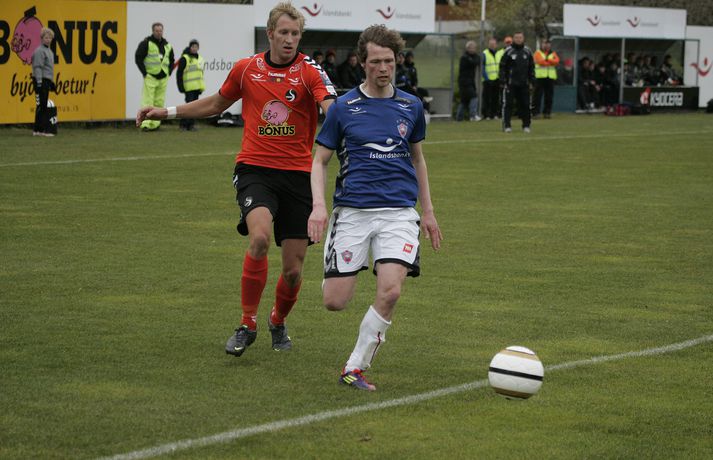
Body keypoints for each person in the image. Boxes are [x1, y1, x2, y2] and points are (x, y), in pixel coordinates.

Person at [136, 2, 337, 356]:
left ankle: (277, 320)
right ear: (270, 34)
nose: (290, 39)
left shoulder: (310, 71)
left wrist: (340, 123)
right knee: (259, 238)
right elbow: (216, 104)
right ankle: (247, 324)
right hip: (255, 169)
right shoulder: (247, 69)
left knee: (293, 271)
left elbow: (331, 109)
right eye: (284, 33)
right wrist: (165, 112)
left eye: (295, 34)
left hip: (298, 177)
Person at [308, 25, 443, 391]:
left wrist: (428, 211)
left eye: (389, 61)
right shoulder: (343, 108)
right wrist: (319, 206)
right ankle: (339, 264)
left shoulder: (411, 106)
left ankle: (354, 367)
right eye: (375, 62)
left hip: (399, 212)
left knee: (391, 290)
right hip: (352, 212)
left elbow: (418, 159)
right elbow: (319, 161)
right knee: (335, 301)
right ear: (362, 63)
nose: (383, 69)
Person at [135, 22, 174, 131]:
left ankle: (155, 124)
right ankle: (146, 124)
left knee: (159, 102)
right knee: (147, 101)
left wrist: (169, 72)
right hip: (151, 76)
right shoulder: (146, 43)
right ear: (153, 31)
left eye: (160, 30)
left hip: (163, 78)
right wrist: (144, 73)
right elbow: (138, 57)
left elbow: (172, 60)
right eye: (156, 31)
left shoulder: (167, 45)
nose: (159, 33)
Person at [499, 32, 534, 133]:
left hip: (524, 83)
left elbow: (531, 67)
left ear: (523, 39)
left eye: (520, 37)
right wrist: (503, 80)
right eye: (516, 37)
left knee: (526, 104)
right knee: (508, 104)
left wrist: (532, 80)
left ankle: (526, 125)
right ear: (513, 39)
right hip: (511, 83)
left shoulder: (527, 51)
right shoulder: (508, 51)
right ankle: (507, 125)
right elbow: (502, 66)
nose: (518, 39)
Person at [175, 39, 205, 131]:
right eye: (193, 46)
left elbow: (201, 74)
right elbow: (179, 73)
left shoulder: (200, 58)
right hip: (188, 88)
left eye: (196, 47)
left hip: (197, 87)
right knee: (188, 107)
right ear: (190, 47)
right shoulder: (185, 58)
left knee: (195, 108)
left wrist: (201, 87)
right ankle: (183, 125)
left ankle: (191, 125)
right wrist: (180, 86)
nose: (194, 48)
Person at [31, 27, 55, 137]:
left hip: (46, 80)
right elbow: (37, 67)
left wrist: (51, 82)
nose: (48, 39)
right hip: (40, 80)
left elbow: (49, 68)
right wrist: (39, 82)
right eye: (46, 37)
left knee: (43, 105)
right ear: (42, 38)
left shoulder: (49, 51)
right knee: (41, 105)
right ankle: (41, 130)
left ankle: (38, 130)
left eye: (50, 38)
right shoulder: (39, 51)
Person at [533, 39, 559, 119]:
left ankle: (547, 112)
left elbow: (557, 61)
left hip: (550, 77)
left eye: (548, 44)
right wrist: (550, 62)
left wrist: (547, 60)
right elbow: (540, 62)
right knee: (537, 96)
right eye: (545, 43)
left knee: (549, 96)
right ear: (542, 44)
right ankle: (535, 113)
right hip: (540, 77)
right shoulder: (537, 53)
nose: (546, 45)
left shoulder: (553, 53)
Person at [456, 40, 481, 122]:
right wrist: (474, 59)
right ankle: (473, 115)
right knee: (474, 96)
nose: (472, 49)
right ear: (467, 48)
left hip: (470, 81)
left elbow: (477, 60)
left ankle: (459, 118)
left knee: (464, 100)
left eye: (474, 48)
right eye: (470, 48)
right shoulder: (464, 57)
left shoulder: (474, 56)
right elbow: (473, 62)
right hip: (464, 82)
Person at [481, 37, 503, 120]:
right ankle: (486, 115)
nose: (492, 45)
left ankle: (494, 114)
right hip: (488, 80)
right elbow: (482, 67)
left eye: (494, 44)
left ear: (496, 45)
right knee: (487, 98)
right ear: (488, 45)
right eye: (491, 44)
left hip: (497, 79)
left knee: (495, 98)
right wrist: (486, 78)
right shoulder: (484, 53)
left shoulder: (498, 54)